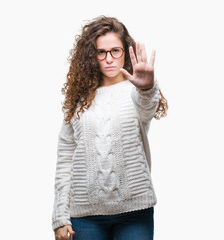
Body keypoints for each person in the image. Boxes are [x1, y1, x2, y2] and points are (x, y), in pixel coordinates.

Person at [52, 15, 168, 240]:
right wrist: (59, 216)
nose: (109, 59)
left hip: (135, 212)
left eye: (116, 50)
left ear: (125, 51)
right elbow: (65, 157)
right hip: (84, 216)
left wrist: (147, 88)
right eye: (101, 52)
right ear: (91, 56)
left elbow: (147, 110)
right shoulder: (78, 99)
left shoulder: (137, 91)